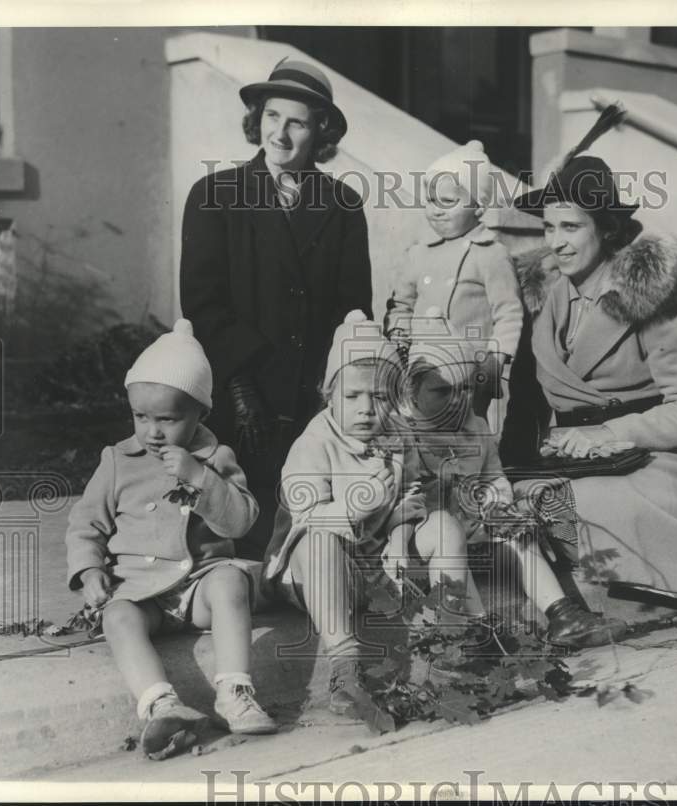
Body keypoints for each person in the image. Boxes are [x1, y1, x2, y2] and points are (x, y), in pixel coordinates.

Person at [512, 106, 677, 621]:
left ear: (606, 228)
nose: (555, 242)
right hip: (571, 460)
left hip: (653, 459)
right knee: (513, 502)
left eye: (571, 226)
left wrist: (609, 432)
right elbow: (527, 397)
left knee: (584, 508)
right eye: (548, 227)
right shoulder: (546, 292)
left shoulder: (651, 292)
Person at [180, 58, 373, 559]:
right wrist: (242, 387)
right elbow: (203, 303)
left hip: (312, 396)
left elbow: (354, 308)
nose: (280, 134)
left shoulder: (344, 204)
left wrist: (330, 389)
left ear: (321, 131)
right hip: (239, 394)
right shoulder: (214, 196)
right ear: (256, 120)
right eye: (271, 117)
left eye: (297, 122)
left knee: (310, 537)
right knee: (235, 537)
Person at [64, 319, 276, 762]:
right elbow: (86, 523)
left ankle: (235, 690)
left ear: (200, 413)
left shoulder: (214, 458)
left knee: (230, 583)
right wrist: (88, 570)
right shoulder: (118, 461)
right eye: (141, 417)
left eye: (167, 419)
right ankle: (161, 703)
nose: (152, 431)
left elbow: (241, 522)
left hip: (198, 583)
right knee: (118, 617)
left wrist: (201, 479)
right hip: (143, 591)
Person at [263, 311, 488, 715]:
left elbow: (414, 492)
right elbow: (306, 515)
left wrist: (401, 528)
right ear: (327, 394)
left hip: (380, 567)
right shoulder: (313, 445)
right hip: (322, 577)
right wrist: (354, 508)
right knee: (317, 540)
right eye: (352, 397)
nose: (367, 409)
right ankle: (345, 669)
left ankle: (452, 642)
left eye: (380, 397)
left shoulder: (397, 436)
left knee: (443, 525)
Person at [394, 309, 627, 647]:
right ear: (411, 392)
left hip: (475, 534)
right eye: (442, 392)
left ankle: (561, 614)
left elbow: (493, 477)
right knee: (448, 539)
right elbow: (400, 501)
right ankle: (473, 635)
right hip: (427, 546)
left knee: (517, 531)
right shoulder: (404, 435)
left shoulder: (475, 427)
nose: (457, 402)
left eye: (464, 389)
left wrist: (497, 504)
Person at [385, 140, 523, 432]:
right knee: (418, 432)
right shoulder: (419, 252)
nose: (436, 210)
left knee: (467, 434)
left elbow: (508, 312)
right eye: (431, 201)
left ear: (479, 207)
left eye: (448, 202)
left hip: (469, 371)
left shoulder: (490, 253)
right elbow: (402, 304)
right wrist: (399, 341)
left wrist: (495, 360)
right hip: (421, 366)